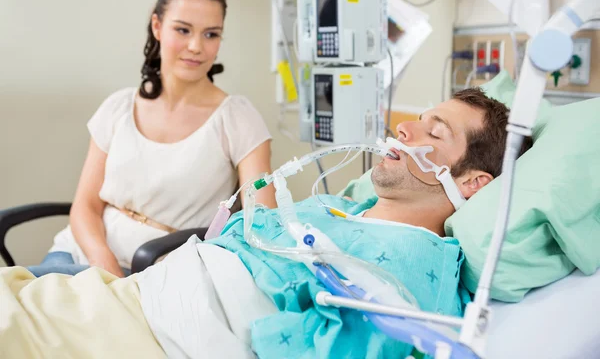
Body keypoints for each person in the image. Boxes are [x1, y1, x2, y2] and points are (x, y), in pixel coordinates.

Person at [1, 89, 533, 358]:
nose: (404, 130)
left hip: (154, 336)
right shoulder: (331, 209)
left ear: (470, 183)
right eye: (416, 119)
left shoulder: (417, 271)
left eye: (432, 135)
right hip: (125, 297)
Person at [27, 0, 276, 278]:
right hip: (81, 255)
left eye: (211, 34)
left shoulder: (238, 119)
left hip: (158, 274)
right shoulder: (118, 107)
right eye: (183, 30)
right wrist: (102, 262)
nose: (197, 46)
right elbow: (85, 207)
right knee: (18, 300)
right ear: (157, 26)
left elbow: (264, 222)